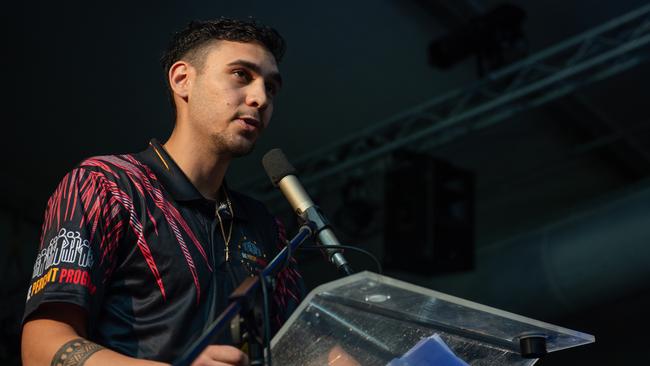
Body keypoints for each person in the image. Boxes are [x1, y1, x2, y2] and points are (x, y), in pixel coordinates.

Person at [21, 18, 302, 366]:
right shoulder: (106, 184)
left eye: (271, 88)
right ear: (182, 79)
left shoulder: (267, 227)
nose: (260, 98)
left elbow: (306, 346)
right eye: (242, 75)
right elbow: (40, 346)